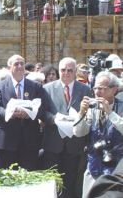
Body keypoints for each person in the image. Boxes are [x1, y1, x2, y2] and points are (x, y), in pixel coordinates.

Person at [43, 57, 92, 198]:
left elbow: (89, 115)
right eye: (63, 70)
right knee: (51, 180)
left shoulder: (85, 89)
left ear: (75, 71)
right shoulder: (47, 88)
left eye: (70, 70)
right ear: (59, 71)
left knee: (69, 180)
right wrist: (54, 119)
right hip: (53, 142)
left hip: (74, 143)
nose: (66, 73)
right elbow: (42, 112)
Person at [0, 54, 47, 170]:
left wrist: (29, 113)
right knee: (7, 177)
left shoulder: (35, 86)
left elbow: (43, 109)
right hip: (7, 141)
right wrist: (9, 112)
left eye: (22, 63)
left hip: (30, 140)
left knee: (29, 177)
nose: (20, 66)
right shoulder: (0, 86)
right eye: (16, 64)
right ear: (9, 67)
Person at [73, 71, 123, 198]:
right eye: (95, 88)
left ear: (114, 90)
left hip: (116, 170)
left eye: (101, 88)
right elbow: (78, 133)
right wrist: (81, 112)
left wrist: (110, 113)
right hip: (93, 167)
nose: (97, 92)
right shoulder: (92, 107)